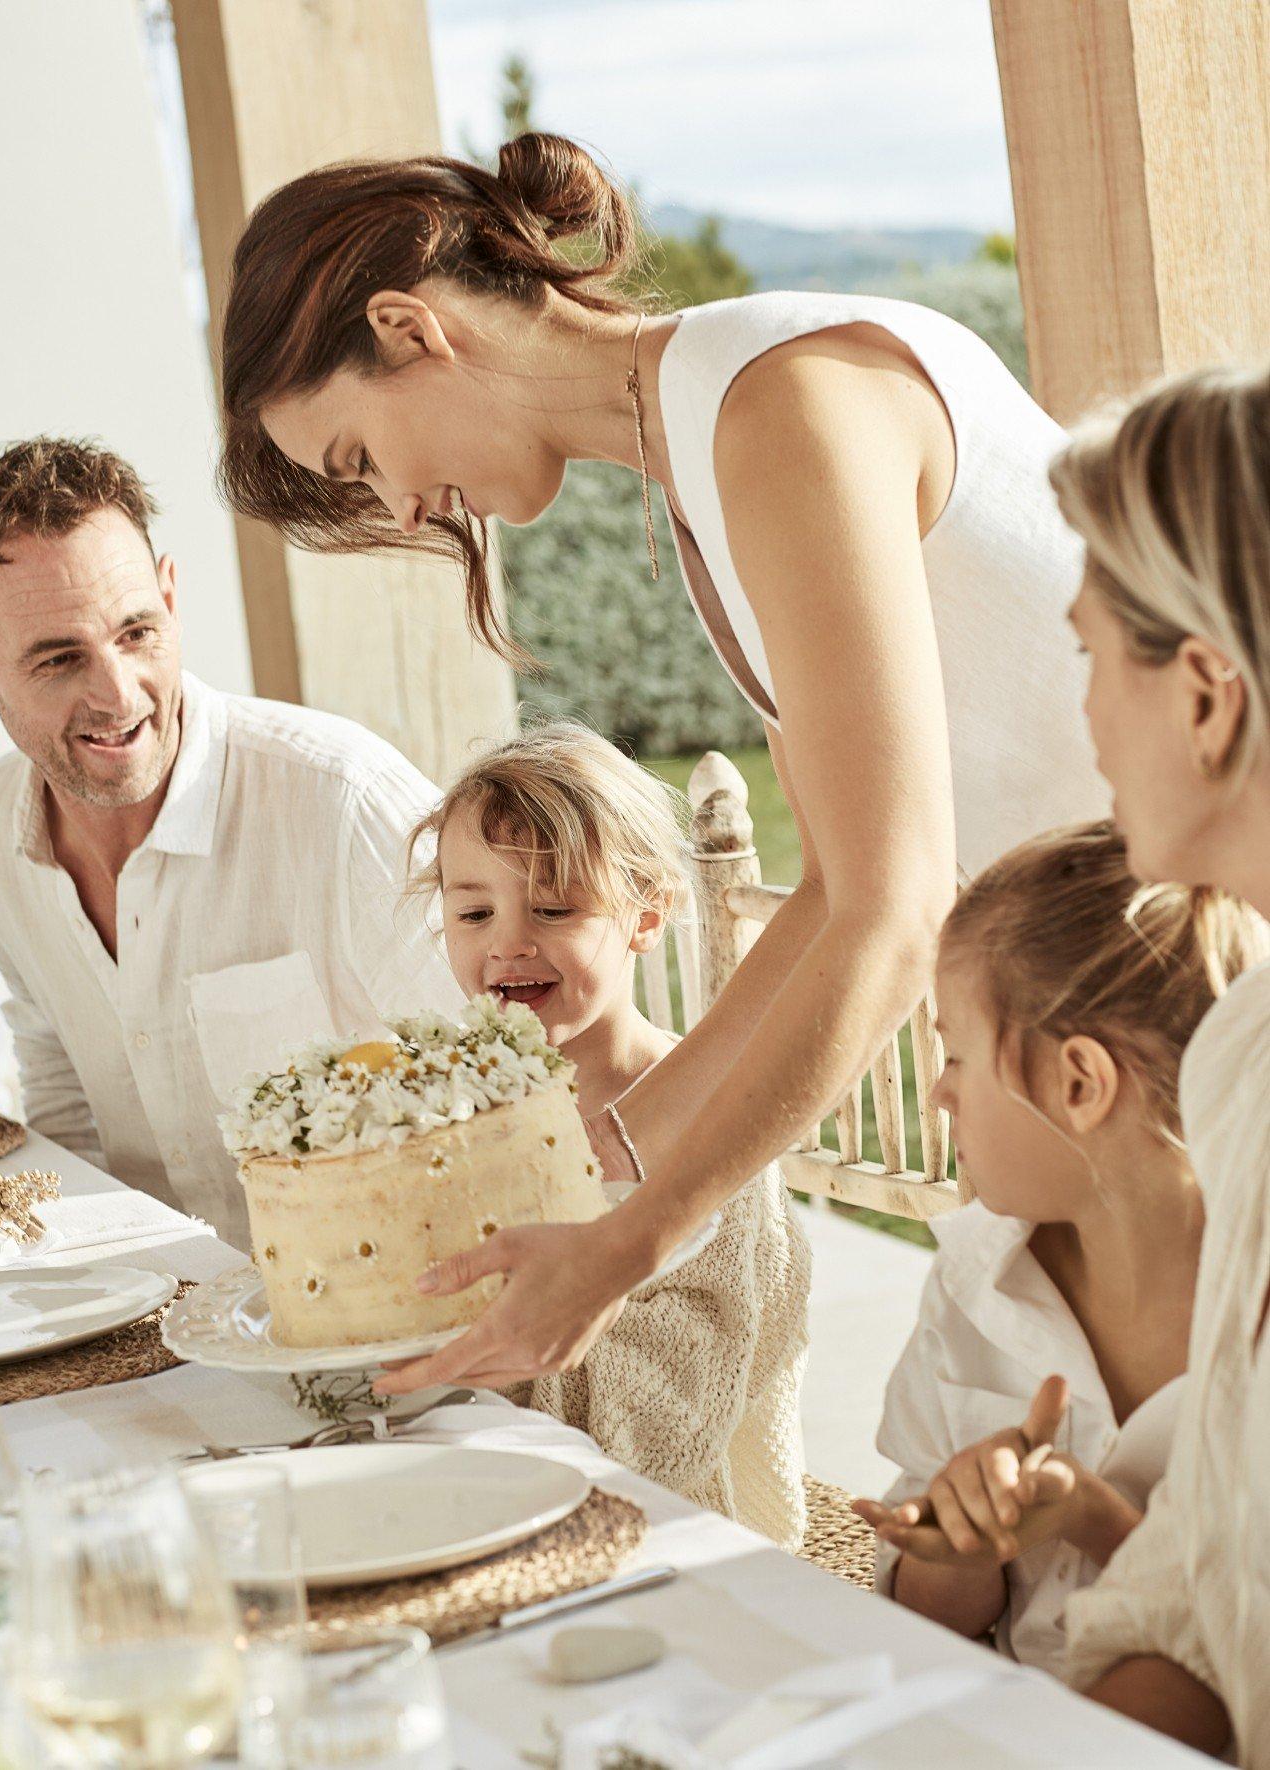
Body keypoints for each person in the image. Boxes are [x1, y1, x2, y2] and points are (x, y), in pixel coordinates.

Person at [217, 131, 1107, 1386]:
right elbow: (829, 895)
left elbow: (894, 912)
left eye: (361, 458)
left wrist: (630, 1241)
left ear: (410, 330)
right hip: (1128, 1010)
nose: (403, 511)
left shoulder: (779, 406)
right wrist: (609, 1154)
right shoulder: (703, 448)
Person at [0, 437, 460, 1248]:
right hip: (150, 1318)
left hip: (392, 1316)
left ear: (171, 595)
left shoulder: (342, 800)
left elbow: (507, 1082)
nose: (118, 695)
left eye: (137, 633)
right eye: (59, 659)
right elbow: (60, 1086)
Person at [851, 821, 1264, 1676]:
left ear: (1079, 1085)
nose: (938, 1092)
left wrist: (1088, 1516)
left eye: (958, 1056)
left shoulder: (1252, 1320)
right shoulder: (973, 1284)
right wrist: (959, 1542)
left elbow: (1245, 1650)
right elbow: (923, 1615)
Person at [394, 722, 811, 1547]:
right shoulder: (454, 1104)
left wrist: (463, 1367)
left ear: (646, 916)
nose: (508, 941)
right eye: (473, 911)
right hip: (463, 1492)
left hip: (662, 1531)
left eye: (554, 908)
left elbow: (672, 1421)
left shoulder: (709, 1127)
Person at [1038, 365, 1270, 1762]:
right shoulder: (1242, 1046)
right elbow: (1210, 1566)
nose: (1085, 721)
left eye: (1087, 658)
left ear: (1204, 697)